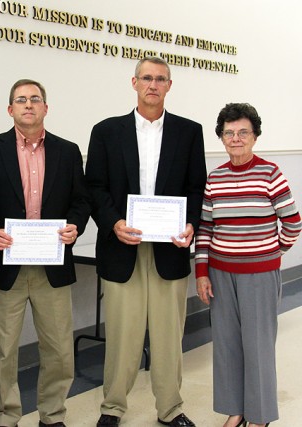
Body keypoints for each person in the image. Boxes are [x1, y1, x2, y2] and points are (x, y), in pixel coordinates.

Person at [85, 56, 207, 427]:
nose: (153, 85)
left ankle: (170, 408)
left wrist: (190, 224)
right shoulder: (106, 131)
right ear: (134, 83)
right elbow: (95, 187)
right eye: (146, 78)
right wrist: (114, 223)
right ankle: (113, 408)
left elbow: (195, 188)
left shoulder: (188, 132)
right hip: (123, 246)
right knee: (123, 333)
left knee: (170, 335)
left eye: (160, 79)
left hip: (169, 248)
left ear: (169, 86)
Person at [0, 79, 91, 427]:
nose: (28, 104)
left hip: (51, 265)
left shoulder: (68, 151)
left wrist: (75, 226)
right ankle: (5, 417)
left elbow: (80, 201)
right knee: (4, 352)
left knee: (58, 349)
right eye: (21, 100)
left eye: (35, 99)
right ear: (10, 109)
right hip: (4, 264)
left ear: (45, 108)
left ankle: (52, 415)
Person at [194, 103, 302, 427]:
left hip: (259, 275)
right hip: (221, 274)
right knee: (226, 346)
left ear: (254, 136)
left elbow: (293, 223)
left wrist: (270, 253)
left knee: (258, 347)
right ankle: (235, 411)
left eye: (243, 132)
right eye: (229, 133)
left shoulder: (270, 174)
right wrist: (202, 272)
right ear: (221, 138)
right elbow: (205, 230)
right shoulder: (215, 178)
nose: (236, 139)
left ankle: (259, 416)